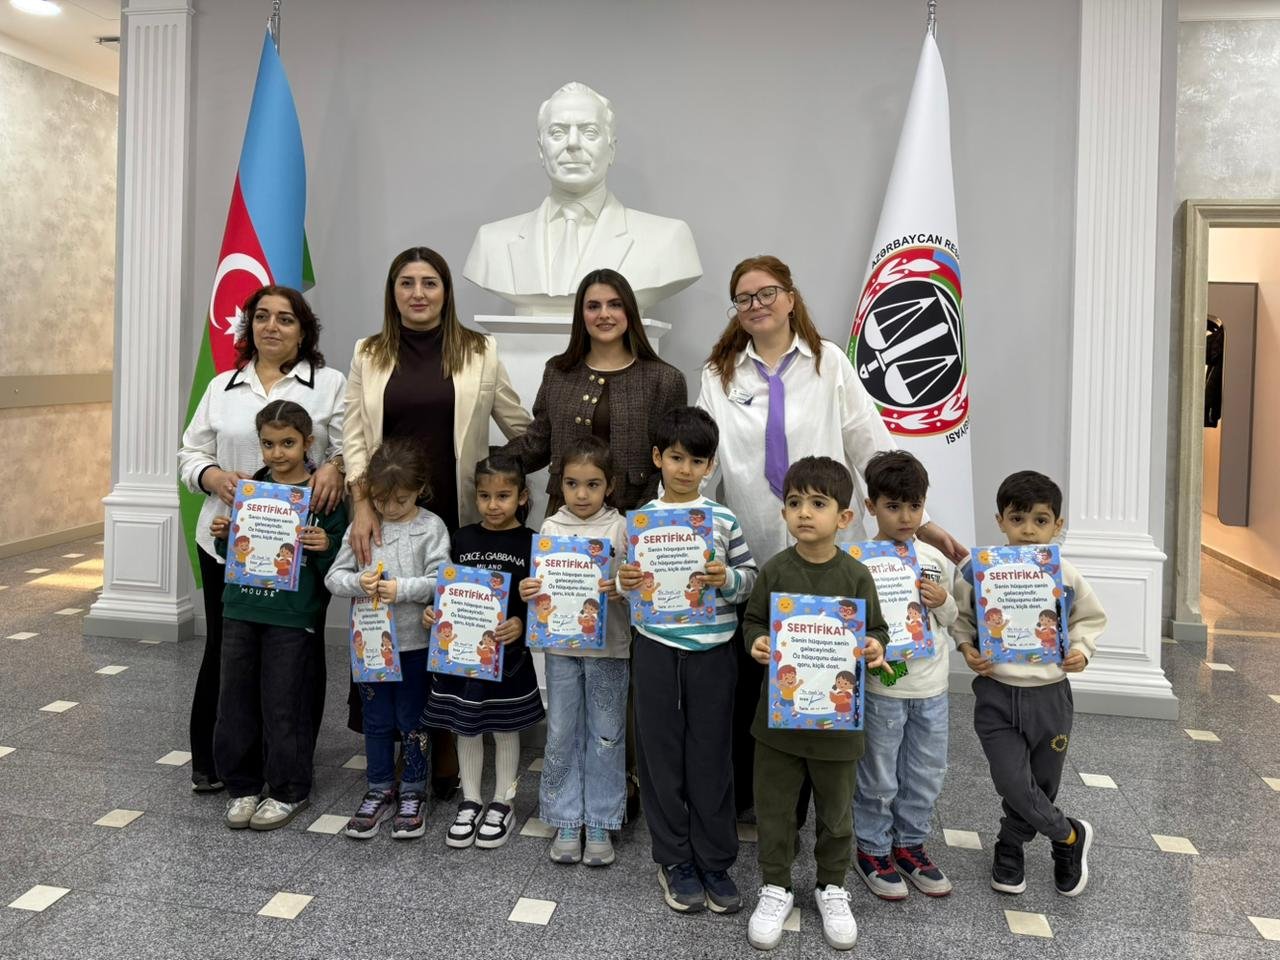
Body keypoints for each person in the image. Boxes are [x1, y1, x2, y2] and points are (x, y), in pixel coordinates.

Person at [695, 254, 964, 818]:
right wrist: (680, 524)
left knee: (827, 666)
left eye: (767, 293)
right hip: (757, 551)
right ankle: (765, 800)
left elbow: (872, 445)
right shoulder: (720, 374)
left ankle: (831, 800)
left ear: (791, 298)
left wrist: (924, 519)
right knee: (763, 671)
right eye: (744, 299)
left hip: (828, 555)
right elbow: (705, 462)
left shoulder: (829, 364)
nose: (757, 305)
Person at [342, 246, 531, 788]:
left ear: (447, 291)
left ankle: (444, 740)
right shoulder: (368, 352)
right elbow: (353, 434)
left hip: (455, 510)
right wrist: (361, 503)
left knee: (446, 629)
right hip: (387, 513)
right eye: (407, 283)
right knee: (392, 622)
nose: (418, 293)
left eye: (430, 282)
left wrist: (547, 486)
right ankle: (398, 741)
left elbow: (518, 425)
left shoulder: (480, 350)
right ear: (392, 292)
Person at [178, 285, 346, 794]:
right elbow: (188, 452)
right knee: (228, 652)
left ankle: (288, 762)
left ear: (304, 330)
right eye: (262, 317)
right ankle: (217, 762)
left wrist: (336, 468)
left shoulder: (329, 384)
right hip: (228, 541)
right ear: (248, 326)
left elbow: (351, 448)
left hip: (302, 548)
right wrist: (211, 476)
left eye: (286, 319)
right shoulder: (222, 385)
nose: (272, 326)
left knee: (297, 655)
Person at [741, 456, 889, 951]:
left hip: (838, 726)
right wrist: (757, 641)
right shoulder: (775, 570)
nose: (804, 513)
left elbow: (877, 632)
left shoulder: (856, 577)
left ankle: (832, 886)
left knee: (836, 813)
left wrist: (873, 647)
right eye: (794, 502)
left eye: (818, 504)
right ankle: (776, 886)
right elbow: (755, 622)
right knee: (776, 810)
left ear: (843, 518)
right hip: (779, 726)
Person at [618, 406, 758, 915]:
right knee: (659, 758)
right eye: (675, 457)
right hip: (655, 648)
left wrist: (729, 580)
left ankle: (716, 859)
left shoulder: (721, 520)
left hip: (713, 652)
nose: (684, 469)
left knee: (712, 755)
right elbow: (621, 580)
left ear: (710, 466)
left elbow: (750, 577)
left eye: (696, 461)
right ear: (658, 458)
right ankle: (674, 858)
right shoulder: (637, 522)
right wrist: (624, 583)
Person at [952, 470, 1108, 898]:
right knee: (1012, 781)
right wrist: (967, 650)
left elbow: (1089, 619)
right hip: (997, 693)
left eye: (1041, 521)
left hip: (1050, 697)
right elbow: (962, 622)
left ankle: (1010, 844)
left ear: (1058, 526)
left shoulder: (1067, 575)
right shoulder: (980, 573)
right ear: (999, 520)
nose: (1028, 530)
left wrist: (1082, 650)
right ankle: (1069, 835)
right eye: (1017, 518)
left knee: (1043, 783)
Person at [209, 401, 348, 831]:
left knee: (285, 701)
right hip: (241, 606)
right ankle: (243, 785)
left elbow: (339, 561)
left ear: (309, 443)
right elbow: (236, 554)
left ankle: (289, 789)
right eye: (268, 444)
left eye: (287, 443)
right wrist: (225, 538)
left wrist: (325, 545)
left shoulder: (323, 496)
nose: (277, 453)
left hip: (293, 615)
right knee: (235, 700)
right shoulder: (253, 489)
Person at [462, 81, 702, 315]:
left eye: (589, 132)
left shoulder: (668, 239)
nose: (573, 144)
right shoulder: (491, 241)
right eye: (557, 132)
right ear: (540, 150)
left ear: (612, 149)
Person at [324, 440, 451, 840]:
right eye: (381, 499)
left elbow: (441, 581)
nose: (391, 508)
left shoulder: (431, 527)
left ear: (421, 489)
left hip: (415, 646)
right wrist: (357, 582)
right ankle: (379, 787)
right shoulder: (362, 525)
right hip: (370, 647)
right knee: (376, 722)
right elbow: (333, 577)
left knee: (412, 721)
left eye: (401, 499)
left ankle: (414, 789)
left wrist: (402, 589)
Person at [420, 455, 544, 850]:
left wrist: (522, 623)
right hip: (464, 659)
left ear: (522, 496)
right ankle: (470, 798)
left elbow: (540, 600)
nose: (493, 505)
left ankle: (502, 802)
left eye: (504, 496)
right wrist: (434, 613)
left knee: (506, 728)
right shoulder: (461, 538)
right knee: (465, 726)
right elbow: (448, 591)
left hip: (509, 659)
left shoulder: (533, 542)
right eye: (485, 496)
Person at [852, 451, 959, 900]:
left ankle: (911, 844)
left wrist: (942, 603)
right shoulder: (856, 559)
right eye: (893, 506)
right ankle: (872, 848)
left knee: (926, 771)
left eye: (914, 506)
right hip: (882, 687)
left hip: (931, 687)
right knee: (878, 774)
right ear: (870, 505)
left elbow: (955, 618)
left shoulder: (934, 559)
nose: (905, 517)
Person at [518, 436, 629, 867]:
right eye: (571, 484)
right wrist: (530, 590)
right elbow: (542, 589)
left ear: (610, 486)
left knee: (606, 734)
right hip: (561, 648)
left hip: (610, 647)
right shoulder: (549, 529)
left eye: (593, 485)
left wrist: (620, 587)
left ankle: (600, 818)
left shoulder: (621, 529)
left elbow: (640, 587)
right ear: (558, 484)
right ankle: (565, 817)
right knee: (562, 729)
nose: (581, 495)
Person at [501, 269, 687, 518]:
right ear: (582, 315)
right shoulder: (558, 371)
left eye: (615, 304)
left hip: (638, 514)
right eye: (593, 306)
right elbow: (537, 445)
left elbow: (671, 459)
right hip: (566, 516)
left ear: (629, 311)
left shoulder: (665, 379)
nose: (604, 314)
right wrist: (482, 461)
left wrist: (645, 516)